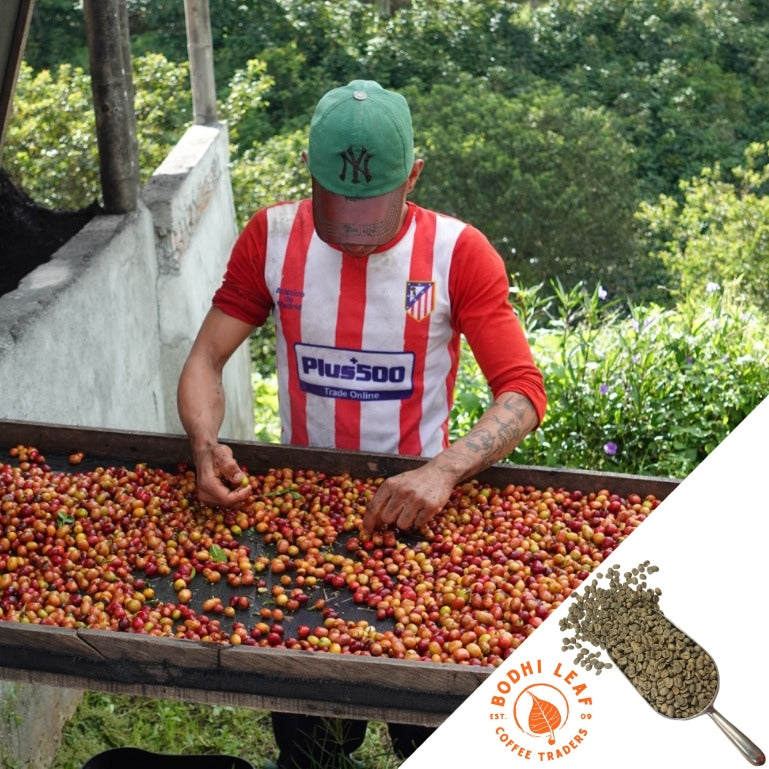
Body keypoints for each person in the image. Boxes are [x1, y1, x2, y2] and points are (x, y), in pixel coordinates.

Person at [177, 79, 547, 769]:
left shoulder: (457, 254)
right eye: (334, 210)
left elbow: (521, 393)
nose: (351, 234)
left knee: (427, 729)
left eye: (370, 217)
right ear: (309, 176)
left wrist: (442, 471)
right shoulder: (271, 238)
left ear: (412, 175)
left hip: (420, 516)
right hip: (298, 517)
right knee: (312, 737)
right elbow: (204, 358)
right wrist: (204, 446)